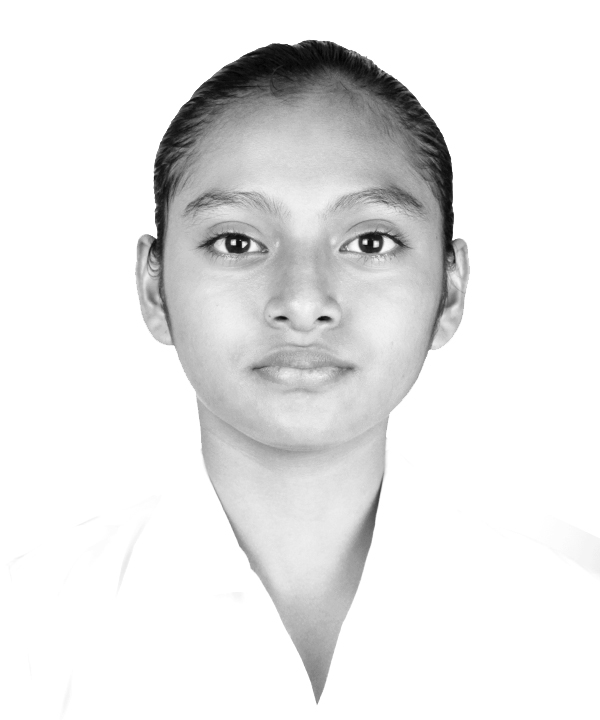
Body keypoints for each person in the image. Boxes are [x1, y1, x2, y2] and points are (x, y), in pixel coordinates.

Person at [4, 40, 600, 720]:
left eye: (370, 242)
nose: (303, 300)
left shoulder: (576, 632)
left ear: (451, 289)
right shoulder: (25, 632)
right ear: (153, 287)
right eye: (236, 242)